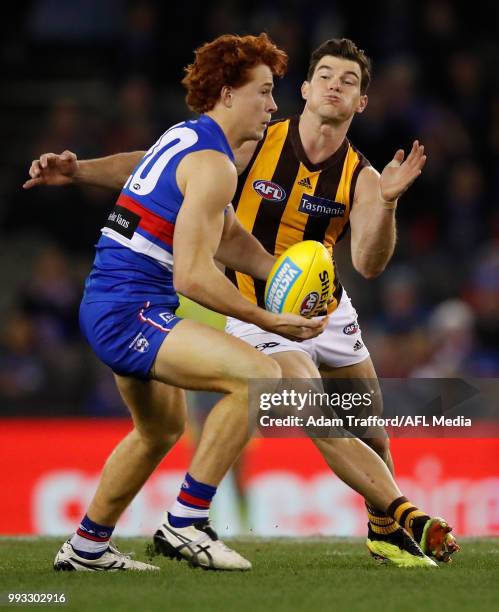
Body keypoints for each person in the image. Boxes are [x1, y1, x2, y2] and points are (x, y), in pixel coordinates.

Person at [26, 37, 459, 569]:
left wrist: (383, 205)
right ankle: (188, 523)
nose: (274, 103)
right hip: (196, 309)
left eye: (348, 81)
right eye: (269, 91)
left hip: (309, 304)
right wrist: (265, 315)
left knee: (166, 430)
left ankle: (87, 547)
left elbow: (243, 238)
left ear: (361, 102)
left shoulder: (348, 171)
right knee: (270, 385)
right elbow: (192, 270)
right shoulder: (239, 152)